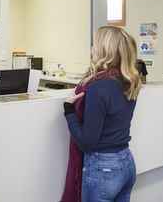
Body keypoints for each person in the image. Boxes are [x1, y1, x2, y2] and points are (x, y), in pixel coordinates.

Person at [61, 26, 142, 202]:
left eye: (94, 44)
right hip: (126, 163)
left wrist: (69, 111)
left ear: (104, 50)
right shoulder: (130, 81)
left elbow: (87, 142)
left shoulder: (98, 87)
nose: (91, 48)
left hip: (104, 168)